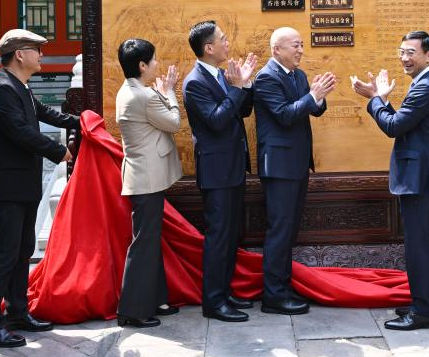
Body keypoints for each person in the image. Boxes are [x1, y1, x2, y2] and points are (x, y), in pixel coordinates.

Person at [0, 29, 79, 347]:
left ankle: (18, 313)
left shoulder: (19, 85)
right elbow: (21, 132)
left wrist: (79, 121)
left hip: (22, 186)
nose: (41, 55)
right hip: (5, 188)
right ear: (20, 55)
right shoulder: (2, 89)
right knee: (3, 256)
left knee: (22, 252)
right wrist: (58, 151)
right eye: (37, 50)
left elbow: (44, 113)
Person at [351, 31, 429, 331]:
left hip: (420, 179)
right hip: (419, 177)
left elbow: (393, 127)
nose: (404, 58)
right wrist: (380, 100)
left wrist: (375, 99)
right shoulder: (423, 83)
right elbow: (405, 124)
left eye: (411, 53)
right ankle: (423, 304)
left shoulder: (425, 86)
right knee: (419, 244)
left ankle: (424, 312)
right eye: (401, 52)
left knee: (419, 246)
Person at [254, 26, 336, 315]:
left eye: (301, 44)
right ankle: (274, 297)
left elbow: (313, 109)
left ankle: (283, 287)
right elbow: (285, 116)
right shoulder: (266, 77)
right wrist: (312, 95)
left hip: (297, 164)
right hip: (279, 167)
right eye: (295, 45)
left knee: (289, 230)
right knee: (280, 231)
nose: (301, 50)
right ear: (277, 50)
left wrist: (319, 96)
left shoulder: (298, 75)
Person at [183, 21, 258, 322]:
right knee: (218, 237)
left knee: (230, 235)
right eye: (223, 39)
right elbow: (216, 120)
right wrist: (237, 88)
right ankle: (214, 302)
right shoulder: (195, 82)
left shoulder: (221, 74)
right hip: (217, 171)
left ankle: (225, 293)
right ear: (208, 48)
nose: (228, 43)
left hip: (232, 166)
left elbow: (242, 110)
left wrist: (245, 85)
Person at [114, 38, 183, 328]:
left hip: (142, 175)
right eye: (153, 60)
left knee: (149, 242)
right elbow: (174, 122)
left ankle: (156, 300)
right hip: (147, 178)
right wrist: (170, 93)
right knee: (144, 244)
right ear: (142, 65)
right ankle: (132, 310)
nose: (157, 64)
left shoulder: (129, 90)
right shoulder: (144, 96)